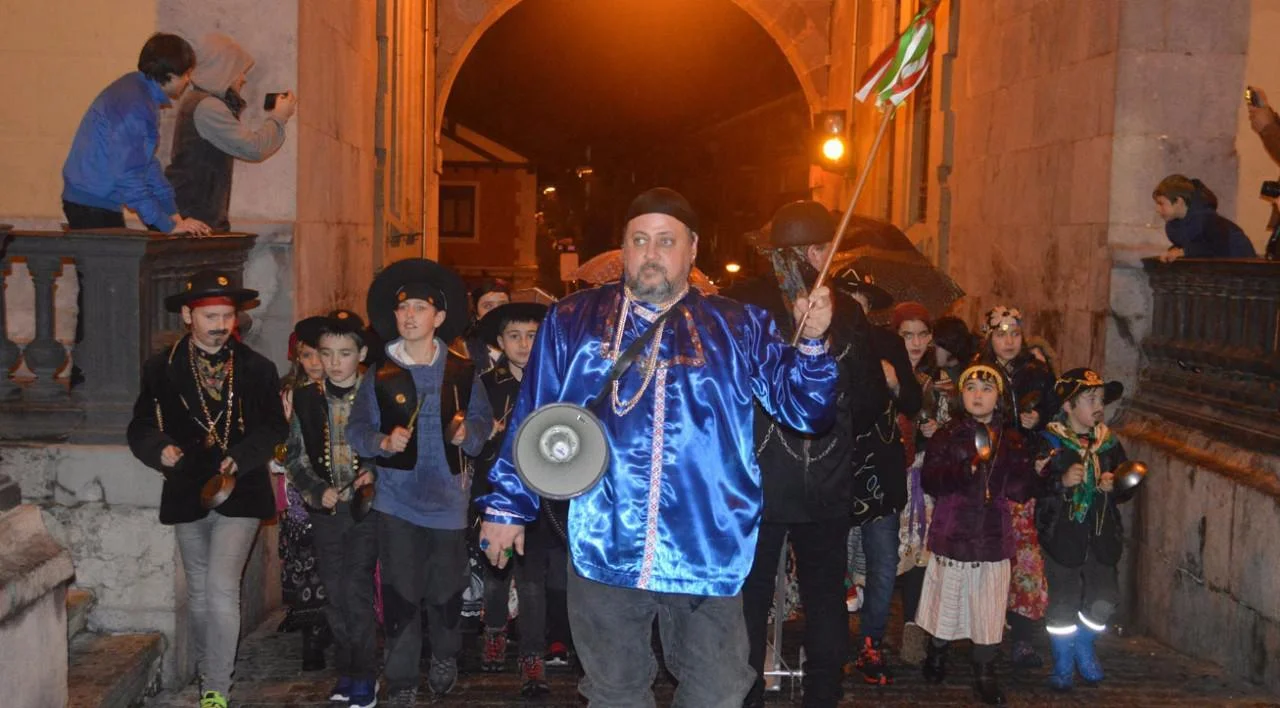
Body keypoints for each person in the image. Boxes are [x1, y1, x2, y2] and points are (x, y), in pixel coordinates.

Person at [477, 187, 838, 708]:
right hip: (604, 540)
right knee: (614, 691)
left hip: (707, 546)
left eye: (666, 241)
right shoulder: (572, 320)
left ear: (692, 250)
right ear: (623, 248)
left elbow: (806, 410)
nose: (651, 253)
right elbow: (533, 418)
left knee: (718, 691)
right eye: (639, 240)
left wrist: (813, 343)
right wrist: (507, 507)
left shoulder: (738, 325)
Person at [725, 200, 883, 708]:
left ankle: (751, 697)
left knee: (755, 598)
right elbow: (868, 399)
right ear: (814, 252)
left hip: (764, 477)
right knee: (818, 596)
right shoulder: (845, 310)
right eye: (824, 250)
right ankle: (819, 697)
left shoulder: (739, 303)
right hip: (805, 476)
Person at [126, 270, 289, 708]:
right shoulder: (161, 367)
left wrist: (244, 455)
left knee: (220, 586)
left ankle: (217, 685)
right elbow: (140, 426)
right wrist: (159, 449)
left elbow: (276, 427)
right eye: (210, 316)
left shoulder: (257, 368)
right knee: (198, 591)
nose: (220, 325)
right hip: (187, 488)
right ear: (187, 315)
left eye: (227, 316)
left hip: (242, 489)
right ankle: (207, 674)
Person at [345, 258, 493, 705]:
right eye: (403, 308)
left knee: (446, 591)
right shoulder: (380, 374)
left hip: (448, 501)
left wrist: (469, 434)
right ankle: (403, 679)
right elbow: (357, 430)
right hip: (397, 502)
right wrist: (382, 442)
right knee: (400, 593)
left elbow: (483, 422)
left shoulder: (462, 371)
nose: (409, 316)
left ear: (439, 318)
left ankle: (445, 656)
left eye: (420, 308)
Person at [916, 364, 1037, 705]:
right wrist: (963, 469)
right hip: (953, 530)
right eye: (971, 389)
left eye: (986, 389)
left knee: (988, 606)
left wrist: (1036, 473)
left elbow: (1018, 489)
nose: (978, 395)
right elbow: (931, 480)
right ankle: (937, 652)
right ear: (961, 395)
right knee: (946, 600)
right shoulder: (947, 435)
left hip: (991, 534)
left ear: (999, 397)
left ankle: (984, 671)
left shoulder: (1011, 439)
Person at [284, 310, 379, 708]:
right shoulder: (307, 398)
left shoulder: (377, 393)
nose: (334, 363)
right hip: (326, 512)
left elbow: (394, 448)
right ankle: (347, 668)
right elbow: (295, 456)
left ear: (361, 353)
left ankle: (366, 673)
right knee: (334, 593)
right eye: (326, 354)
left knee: (356, 588)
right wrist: (316, 489)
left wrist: (373, 473)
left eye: (344, 353)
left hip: (366, 511)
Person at [835, 267, 920, 686]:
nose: (856, 306)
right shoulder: (822, 340)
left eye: (863, 301)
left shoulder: (888, 343)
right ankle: (831, 641)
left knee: (883, 563)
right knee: (830, 561)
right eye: (848, 298)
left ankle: (871, 642)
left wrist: (895, 380)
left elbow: (914, 400)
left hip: (880, 470)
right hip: (835, 466)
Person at [471, 302, 557, 697]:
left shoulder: (555, 382)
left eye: (532, 336)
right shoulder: (485, 385)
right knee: (496, 573)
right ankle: (494, 632)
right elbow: (468, 440)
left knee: (533, 580)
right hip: (495, 496)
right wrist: (484, 433)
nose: (524, 344)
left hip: (540, 499)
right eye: (514, 336)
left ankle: (532, 656)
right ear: (500, 342)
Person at [1038, 368, 1131, 691]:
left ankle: (1084, 643)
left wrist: (1115, 484)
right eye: (1090, 399)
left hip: (1101, 532)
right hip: (1062, 533)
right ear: (1068, 406)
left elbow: (1126, 483)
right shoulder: (1050, 442)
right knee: (1063, 600)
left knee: (1105, 597)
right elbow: (1033, 483)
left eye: (1101, 400)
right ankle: (1063, 660)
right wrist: (1060, 482)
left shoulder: (1108, 444)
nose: (1098, 406)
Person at [62, 33, 209, 235]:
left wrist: (172, 213)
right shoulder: (135, 105)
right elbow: (128, 174)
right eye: (186, 74)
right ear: (170, 75)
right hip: (91, 201)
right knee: (116, 257)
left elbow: (145, 163)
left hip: (94, 198)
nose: (188, 81)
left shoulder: (139, 92)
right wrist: (167, 225)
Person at [978, 305, 1053, 669]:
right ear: (989, 337)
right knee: (988, 559)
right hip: (988, 475)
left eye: (1015, 333)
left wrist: (1038, 418)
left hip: (1023, 478)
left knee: (1024, 560)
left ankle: (1023, 637)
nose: (1008, 341)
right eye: (1000, 334)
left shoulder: (1037, 371)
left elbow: (1054, 406)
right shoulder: (979, 371)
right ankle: (985, 635)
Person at [167, 33, 297, 233]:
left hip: (194, 216)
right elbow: (253, 148)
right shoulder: (207, 107)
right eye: (239, 71)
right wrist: (279, 117)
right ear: (224, 71)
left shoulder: (199, 101)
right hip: (195, 221)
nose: (243, 79)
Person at [275, 316, 331, 670]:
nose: (313, 363)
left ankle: (329, 625)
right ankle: (312, 633)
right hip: (299, 489)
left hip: (334, 488)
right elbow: (281, 444)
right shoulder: (288, 393)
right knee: (305, 559)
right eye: (306, 355)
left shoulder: (345, 389)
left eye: (319, 354)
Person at [890, 301, 941, 666]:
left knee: (919, 555)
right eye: (908, 335)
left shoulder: (933, 383)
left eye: (922, 334)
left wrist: (934, 430)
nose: (916, 343)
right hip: (886, 475)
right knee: (880, 558)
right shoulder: (882, 374)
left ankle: (913, 629)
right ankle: (869, 636)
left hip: (920, 479)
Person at [1152, 174, 1256, 260]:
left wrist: (1184, 252)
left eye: (1161, 203)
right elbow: (1191, 245)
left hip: (1240, 263)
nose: (1157, 209)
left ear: (1179, 201)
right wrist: (1173, 251)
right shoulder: (1174, 226)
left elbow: (1216, 247)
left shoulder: (1208, 220)